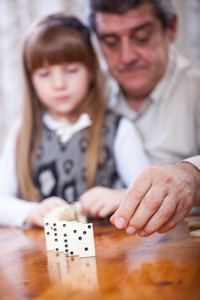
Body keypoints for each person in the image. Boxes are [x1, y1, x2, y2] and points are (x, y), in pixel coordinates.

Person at [0, 13, 150, 228]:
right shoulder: (22, 132)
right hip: (41, 257)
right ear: (30, 80)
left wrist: (120, 197)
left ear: (91, 71)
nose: (59, 84)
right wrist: (31, 212)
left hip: (112, 253)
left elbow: (150, 192)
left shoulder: (118, 129)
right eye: (44, 74)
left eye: (71, 70)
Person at [88, 0, 200, 236]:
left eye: (141, 37)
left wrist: (193, 174)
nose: (127, 57)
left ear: (171, 29)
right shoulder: (84, 96)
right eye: (111, 43)